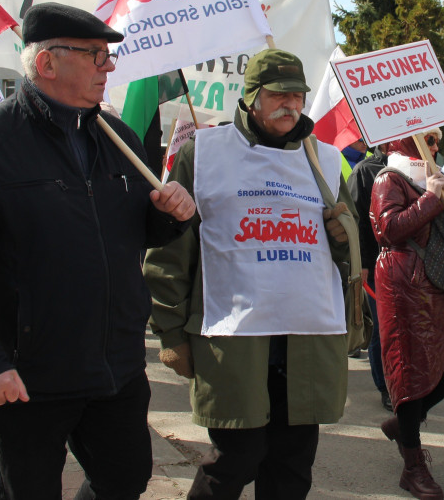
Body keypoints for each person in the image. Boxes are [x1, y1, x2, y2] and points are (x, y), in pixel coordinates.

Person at [0, 2, 197, 500]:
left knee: (126, 478)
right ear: (47, 63)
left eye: (108, 56)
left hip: (116, 364)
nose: (108, 67)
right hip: (27, 374)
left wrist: (169, 213)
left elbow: (130, 231)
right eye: (95, 55)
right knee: (28, 491)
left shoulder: (118, 138)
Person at [144, 48, 358, 500]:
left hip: (306, 341)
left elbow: (352, 255)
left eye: (298, 95)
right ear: (252, 98)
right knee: (235, 459)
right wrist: (171, 333)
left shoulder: (323, 158)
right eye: (280, 94)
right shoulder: (201, 153)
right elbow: (168, 251)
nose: (292, 104)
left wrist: (345, 235)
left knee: (292, 468)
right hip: (234, 338)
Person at [371, 135, 444, 500]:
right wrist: (430, 198)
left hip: (439, 288)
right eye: (426, 139)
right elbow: (388, 229)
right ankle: (412, 465)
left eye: (433, 139)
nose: (432, 144)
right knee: (412, 374)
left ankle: (403, 424)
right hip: (405, 288)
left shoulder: (433, 177)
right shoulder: (390, 178)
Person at [347, 141, 392, 410]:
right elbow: (357, 219)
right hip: (375, 265)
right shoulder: (365, 170)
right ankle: (385, 387)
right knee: (381, 327)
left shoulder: (417, 168)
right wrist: (362, 261)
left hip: (407, 265)